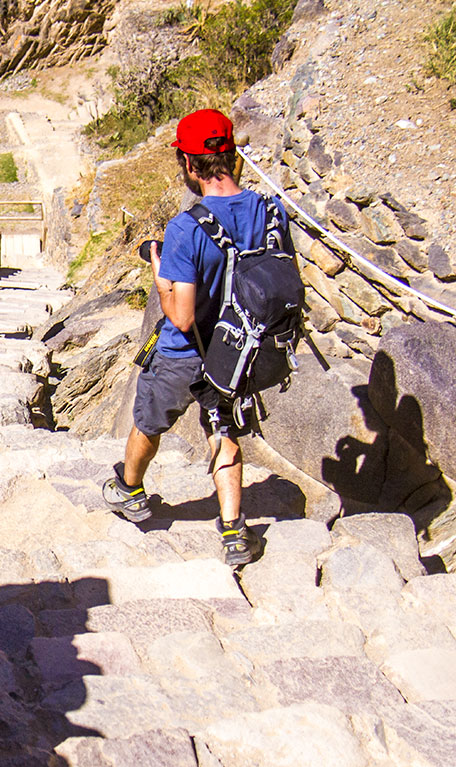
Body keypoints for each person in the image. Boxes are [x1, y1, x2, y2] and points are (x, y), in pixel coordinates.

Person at [101, 108, 290, 566]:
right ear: (232, 155)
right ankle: (233, 531)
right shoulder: (272, 210)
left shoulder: (186, 227)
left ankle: (129, 490)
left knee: (149, 420)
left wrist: (159, 270)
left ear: (189, 164)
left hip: (186, 353)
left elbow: (181, 317)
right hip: (242, 349)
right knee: (224, 428)